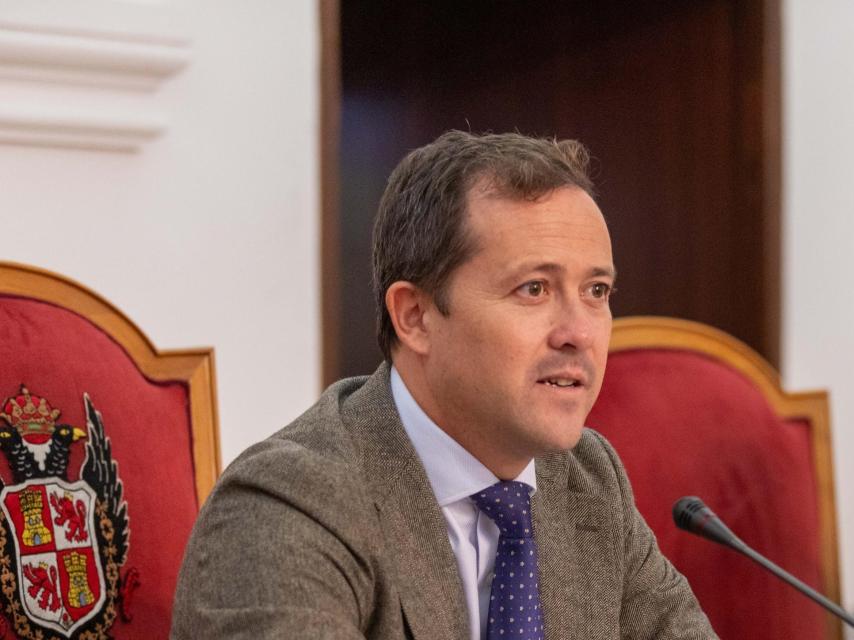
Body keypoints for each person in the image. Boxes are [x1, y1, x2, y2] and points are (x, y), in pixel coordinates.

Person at [171, 131, 718, 639]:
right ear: (415, 317)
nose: (579, 332)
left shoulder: (587, 480)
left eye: (597, 291)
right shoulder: (289, 506)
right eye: (533, 289)